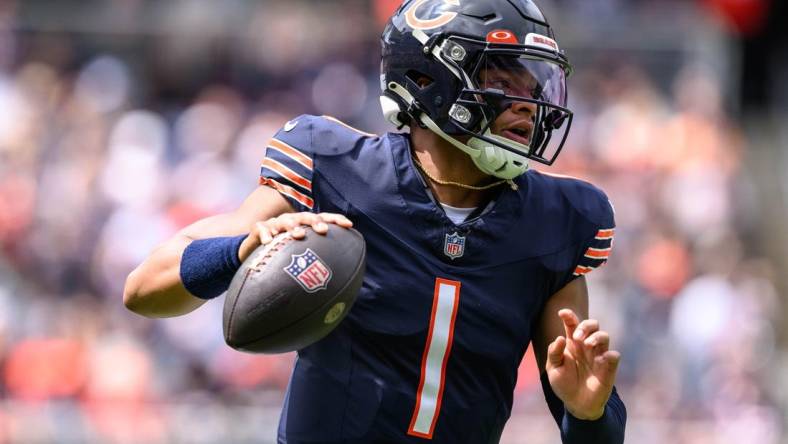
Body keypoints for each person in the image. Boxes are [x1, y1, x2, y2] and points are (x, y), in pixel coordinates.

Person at [124, 0, 627, 442]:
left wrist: (589, 413)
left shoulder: (560, 221)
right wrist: (239, 251)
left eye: (533, 83)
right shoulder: (338, 167)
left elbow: (588, 417)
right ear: (426, 80)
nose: (527, 104)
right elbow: (145, 289)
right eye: (501, 81)